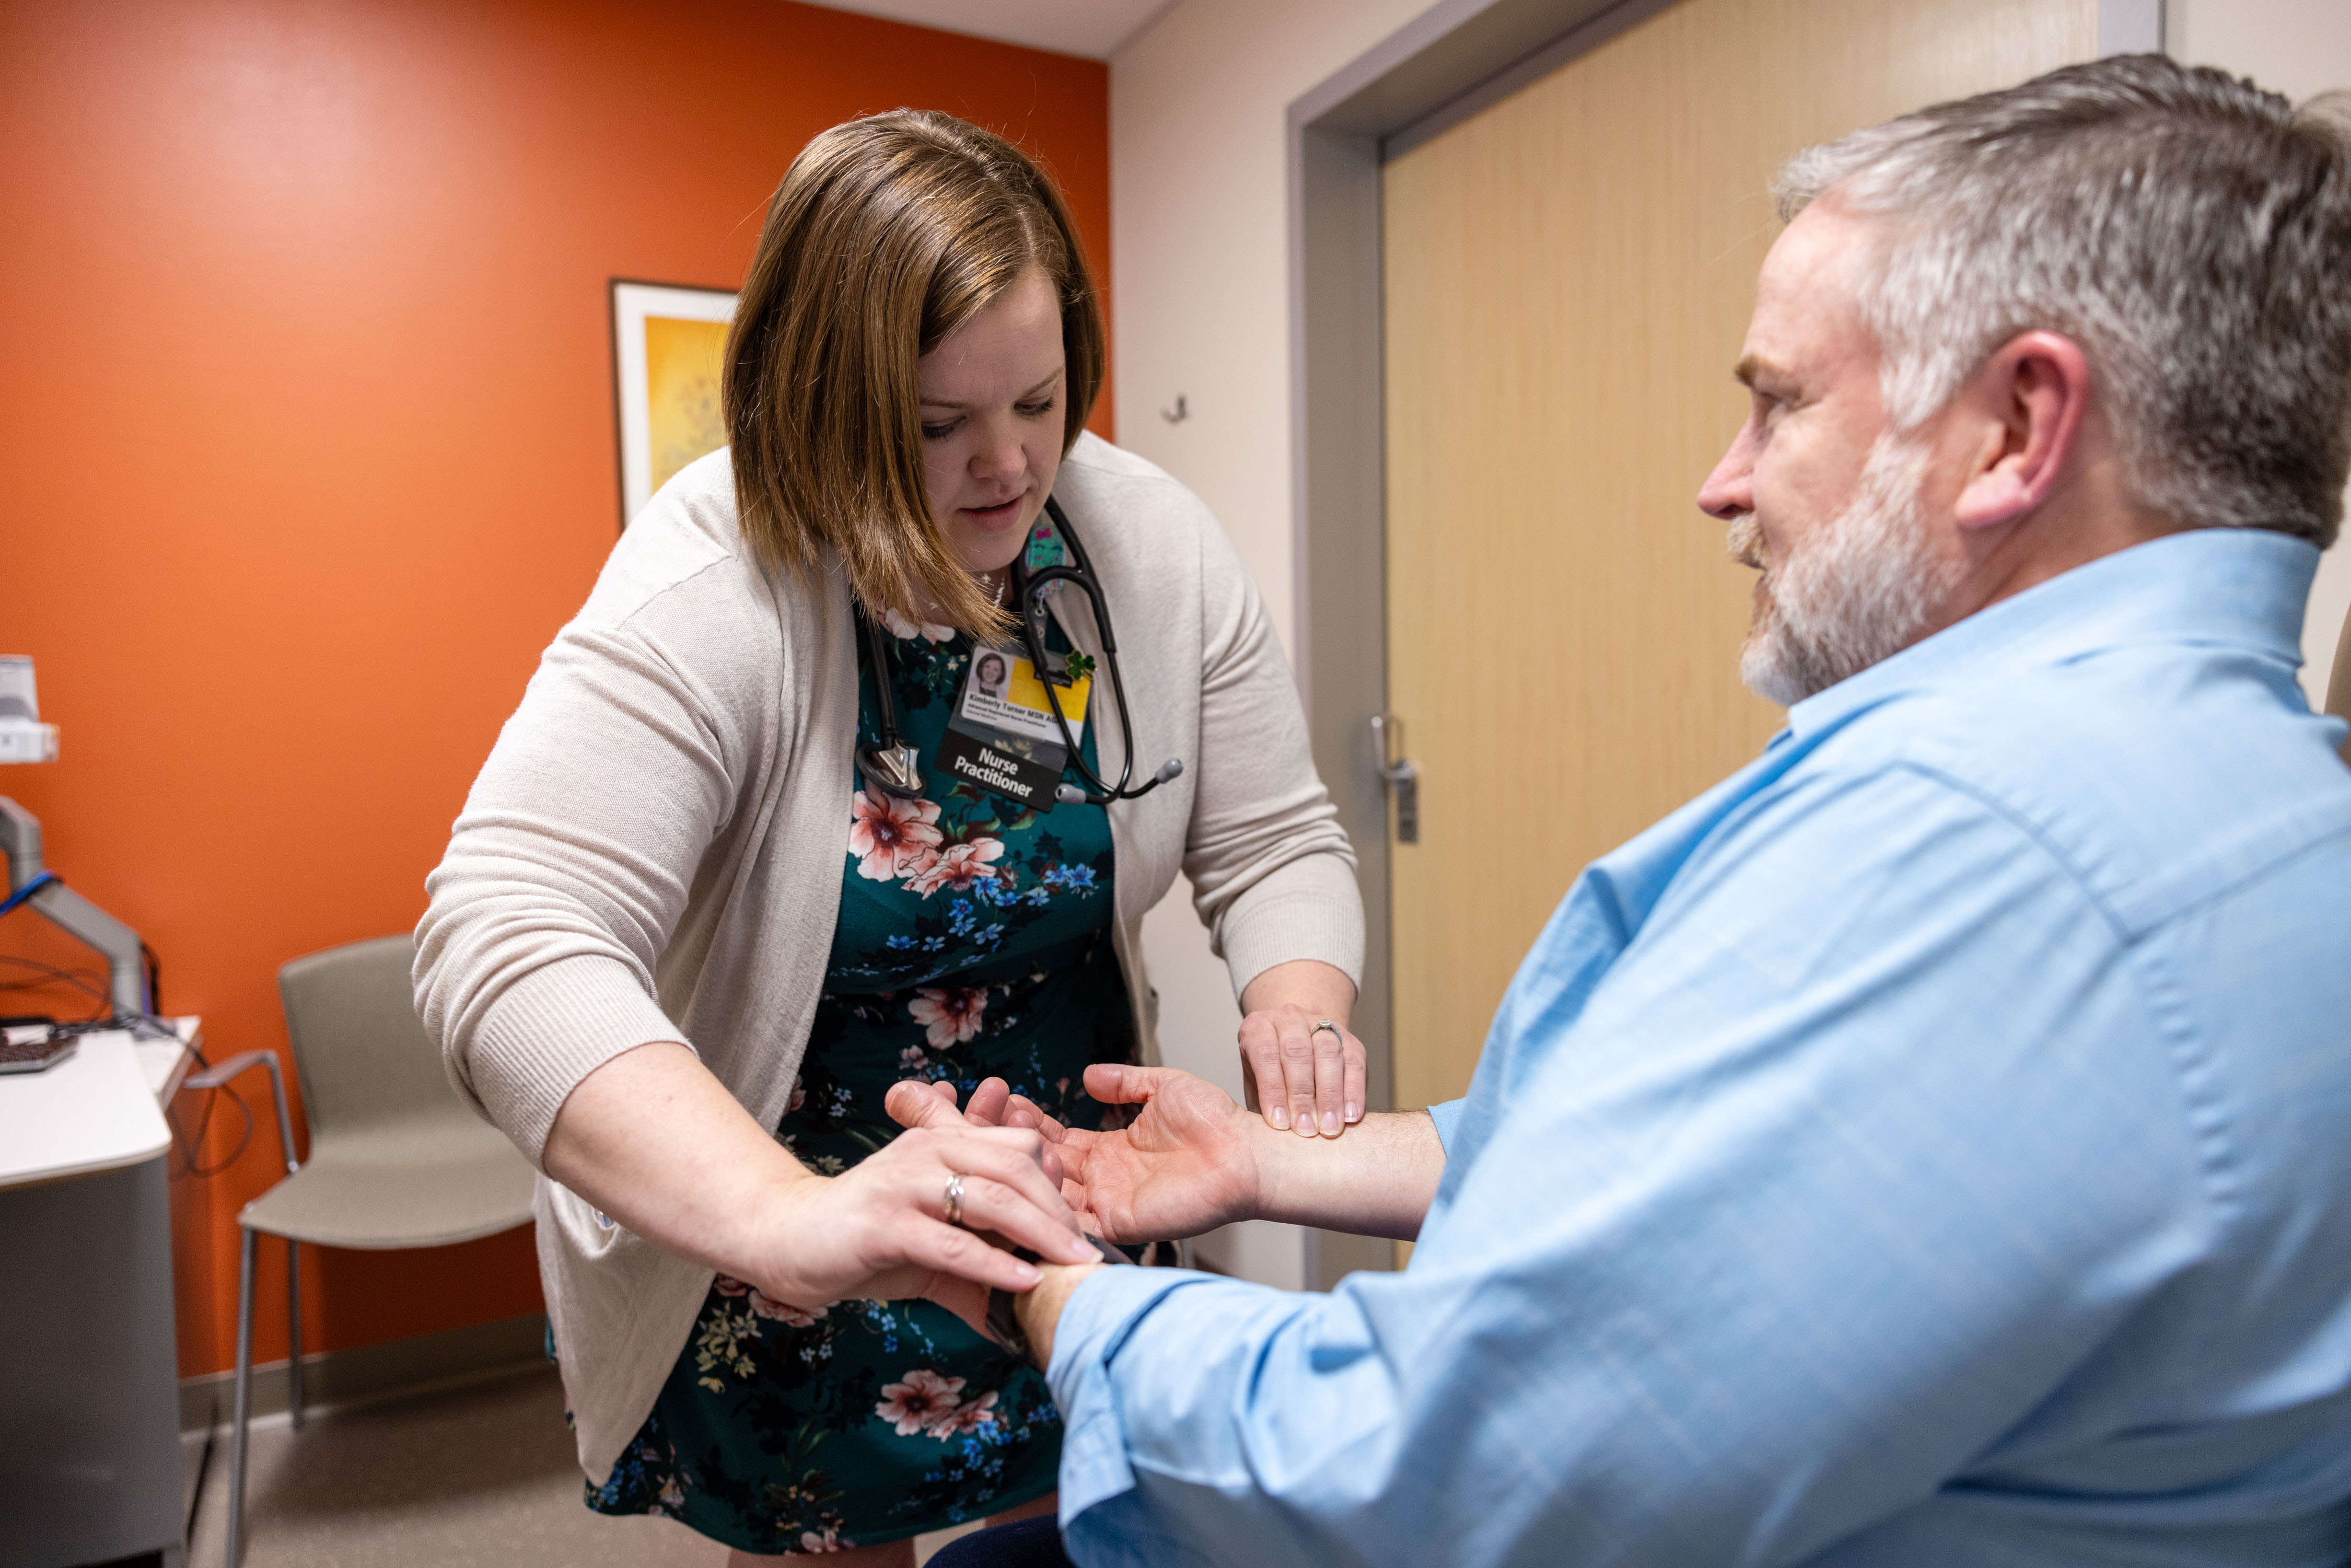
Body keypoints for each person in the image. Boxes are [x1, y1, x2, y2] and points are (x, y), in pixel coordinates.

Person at [900, 57, 2351, 1566]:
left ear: (2016, 429)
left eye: (1777, 404)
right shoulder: (2269, 796)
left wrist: (1055, 1291)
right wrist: (1277, 1165)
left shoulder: (1979, 850)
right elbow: (1722, 1180)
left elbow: (1427, 1472)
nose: (1723, 484)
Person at [413, 111, 1371, 1564]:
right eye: (936, 426)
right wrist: (782, 1218)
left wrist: (1296, 1008)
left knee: (1079, 1536)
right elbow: (504, 928)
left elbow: (1274, 834)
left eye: (1039, 400)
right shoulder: (715, 575)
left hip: (1071, 1188)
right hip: (798, 1221)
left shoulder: (1148, 544)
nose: (1009, 464)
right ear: (825, 403)